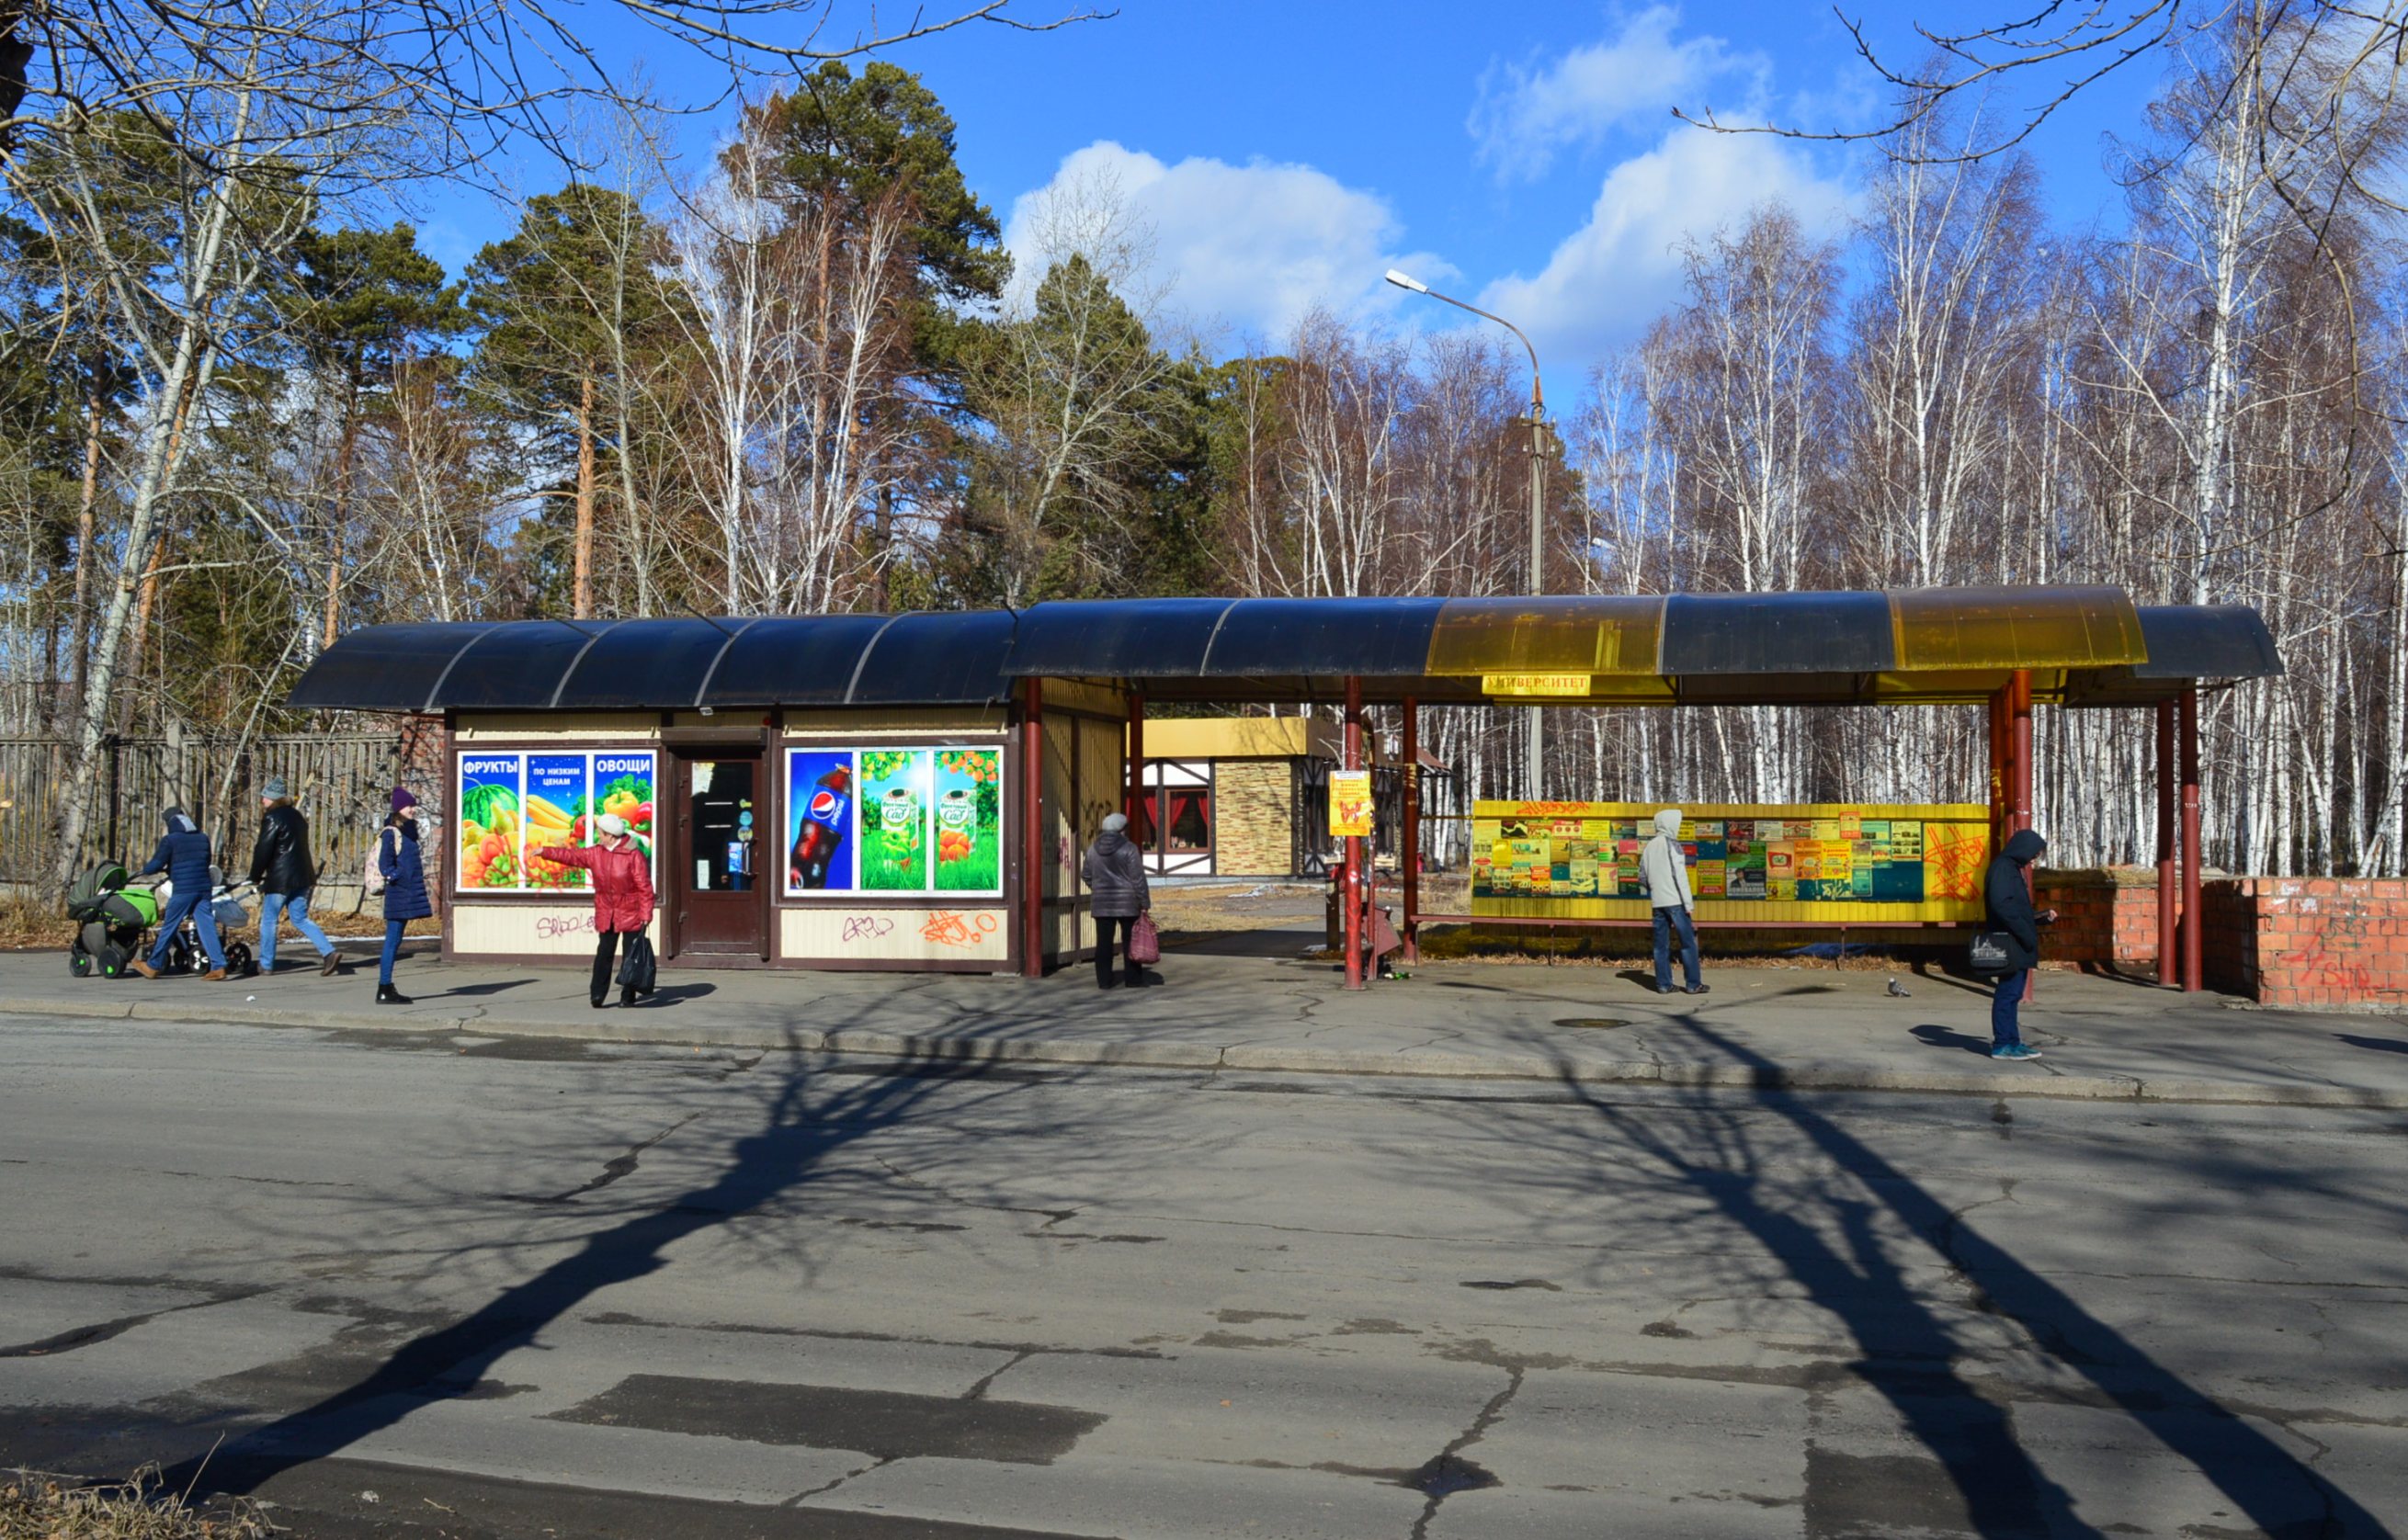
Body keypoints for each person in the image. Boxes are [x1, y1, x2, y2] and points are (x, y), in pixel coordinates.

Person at [532, 812, 656, 1008]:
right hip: (607, 912)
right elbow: (572, 856)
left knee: (630, 956)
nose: (599, 836)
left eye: (601, 833)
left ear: (610, 835)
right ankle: (597, 994)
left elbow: (645, 887)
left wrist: (646, 914)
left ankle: (628, 995)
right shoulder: (597, 853)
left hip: (631, 911)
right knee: (604, 954)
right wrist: (544, 851)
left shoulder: (633, 854)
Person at [248, 776, 340, 977]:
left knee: (269, 920)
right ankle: (329, 952)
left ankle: (265, 964)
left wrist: (254, 876)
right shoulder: (297, 816)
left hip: (281, 878)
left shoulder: (273, 818)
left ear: (272, 798)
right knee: (300, 918)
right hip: (303, 876)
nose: (262, 800)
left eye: (264, 797)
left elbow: (263, 849)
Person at [128, 806, 226, 980]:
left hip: (183, 890)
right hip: (204, 888)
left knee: (169, 927)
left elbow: (156, 865)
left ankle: (153, 965)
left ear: (170, 823)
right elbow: (205, 861)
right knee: (206, 926)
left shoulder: (171, 840)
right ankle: (218, 966)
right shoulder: (202, 838)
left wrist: (146, 869)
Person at [1984, 828, 2056, 1060]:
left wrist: (2040, 918)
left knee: (2013, 993)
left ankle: (2012, 1041)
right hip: (2011, 942)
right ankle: (2003, 1044)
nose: (2035, 858)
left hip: (2016, 940)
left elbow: (2016, 909)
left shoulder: (2010, 868)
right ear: (2023, 848)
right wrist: (2025, 933)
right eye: (2034, 853)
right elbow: (2003, 907)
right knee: (2008, 993)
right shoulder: (2003, 869)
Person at [1641, 807, 1708, 996]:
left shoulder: (1649, 846)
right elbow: (1680, 877)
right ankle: (1693, 984)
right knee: (1688, 943)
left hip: (1658, 903)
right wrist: (1688, 904)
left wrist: (1656, 889)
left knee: (1661, 946)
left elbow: (1642, 876)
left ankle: (1663, 984)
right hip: (1676, 902)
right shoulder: (1672, 844)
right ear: (1670, 824)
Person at [375, 787, 431, 1004]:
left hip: (406, 893)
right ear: (399, 808)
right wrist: (399, 875)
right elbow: (385, 865)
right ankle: (384, 987)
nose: (413, 809)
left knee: (395, 940)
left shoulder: (408, 831)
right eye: (410, 806)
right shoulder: (391, 832)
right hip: (399, 894)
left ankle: (386, 987)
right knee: (392, 940)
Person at [1083, 810, 1151, 990]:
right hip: (1128, 903)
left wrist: (1098, 888)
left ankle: (1104, 981)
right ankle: (1133, 979)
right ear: (1122, 829)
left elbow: (1086, 875)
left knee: (1103, 943)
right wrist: (1144, 902)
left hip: (1101, 904)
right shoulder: (1129, 848)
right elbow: (1138, 879)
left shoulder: (1092, 849)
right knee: (1130, 942)